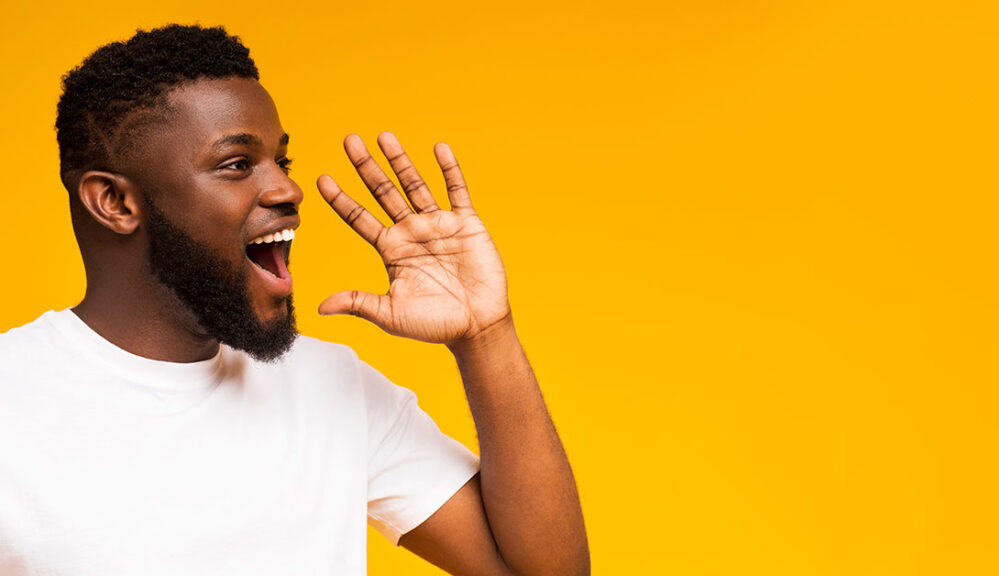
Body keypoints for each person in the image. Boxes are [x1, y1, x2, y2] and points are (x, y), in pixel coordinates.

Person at [0, 24, 588, 576]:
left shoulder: (332, 385)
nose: (287, 188)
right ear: (115, 203)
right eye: (236, 164)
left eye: (281, 160)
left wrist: (485, 334)